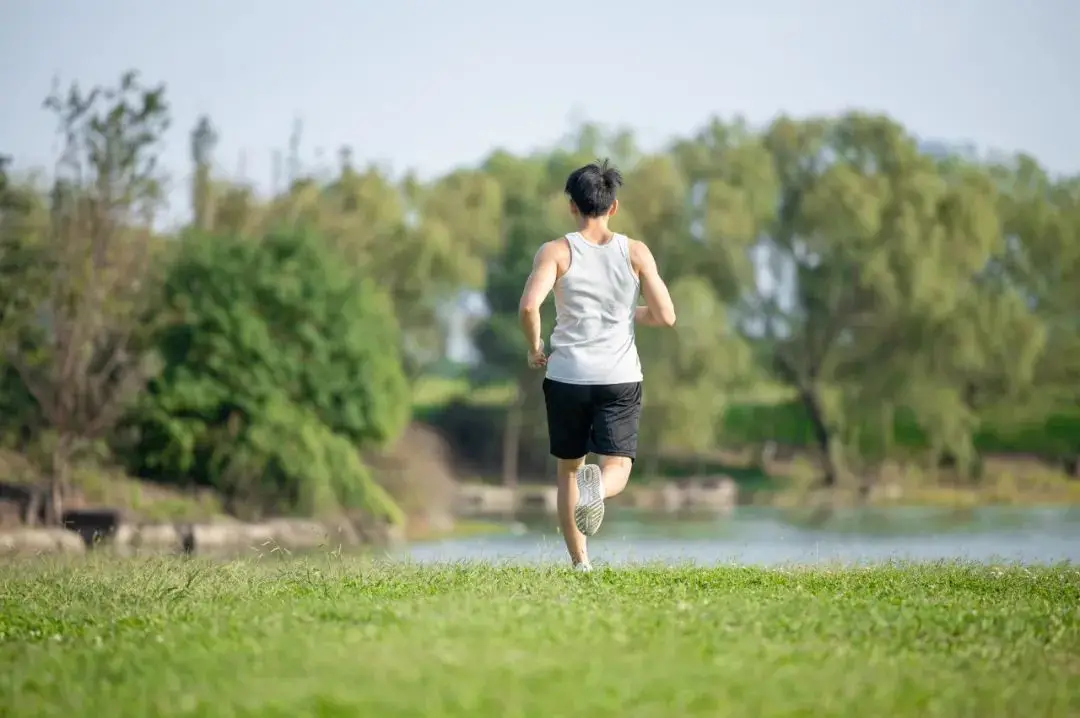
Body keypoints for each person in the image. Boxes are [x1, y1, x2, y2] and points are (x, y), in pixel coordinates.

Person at [517, 158, 677, 572]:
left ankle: (580, 564)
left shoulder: (556, 251)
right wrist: (624, 313)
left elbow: (530, 306)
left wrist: (535, 345)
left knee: (570, 472)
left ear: (572, 205)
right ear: (614, 206)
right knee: (618, 464)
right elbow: (666, 316)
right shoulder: (636, 252)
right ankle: (600, 492)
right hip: (619, 377)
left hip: (567, 375)